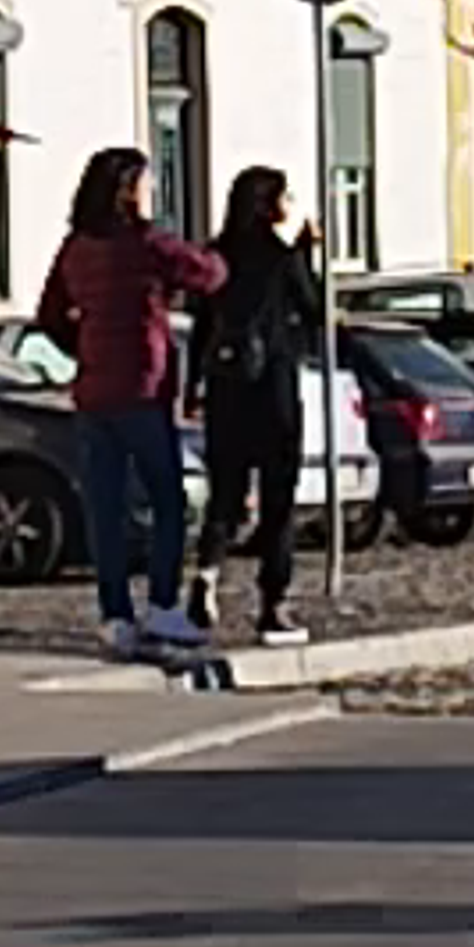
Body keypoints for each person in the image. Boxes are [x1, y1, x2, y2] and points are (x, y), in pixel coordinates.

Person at [33, 145, 221, 650]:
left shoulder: (77, 247)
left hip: (94, 391)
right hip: (143, 384)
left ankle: (114, 613)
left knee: (106, 507)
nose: (152, 191)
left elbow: (49, 313)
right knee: (167, 500)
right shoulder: (145, 245)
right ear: (126, 191)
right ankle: (162, 604)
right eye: (146, 183)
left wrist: (84, 346)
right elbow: (209, 273)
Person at [191, 166, 321, 647]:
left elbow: (203, 327)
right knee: (277, 500)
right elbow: (315, 310)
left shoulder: (215, 256)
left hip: (226, 388)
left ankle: (205, 578)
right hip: (273, 389)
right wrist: (308, 253)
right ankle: (272, 605)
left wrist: (193, 388)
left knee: (225, 494)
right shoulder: (281, 258)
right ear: (271, 205)